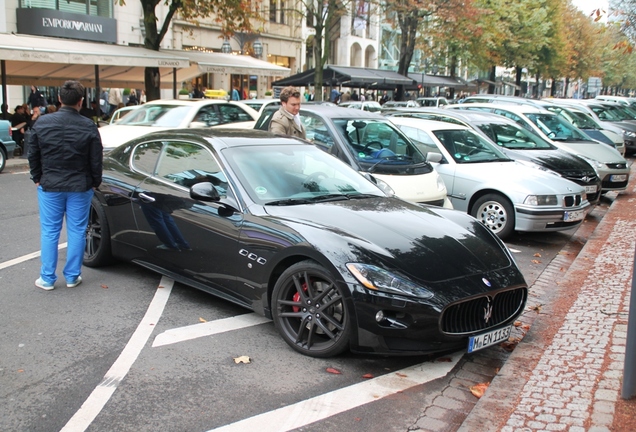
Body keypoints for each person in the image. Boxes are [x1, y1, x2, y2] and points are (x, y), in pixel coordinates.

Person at [27, 80, 103, 291]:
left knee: (50, 231)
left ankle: (48, 278)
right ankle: (72, 276)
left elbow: (33, 153)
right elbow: (96, 159)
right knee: (77, 230)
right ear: (80, 101)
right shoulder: (88, 125)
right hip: (80, 185)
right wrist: (95, 182)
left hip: (50, 183)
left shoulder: (42, 123)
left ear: (59, 99)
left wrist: (37, 177)